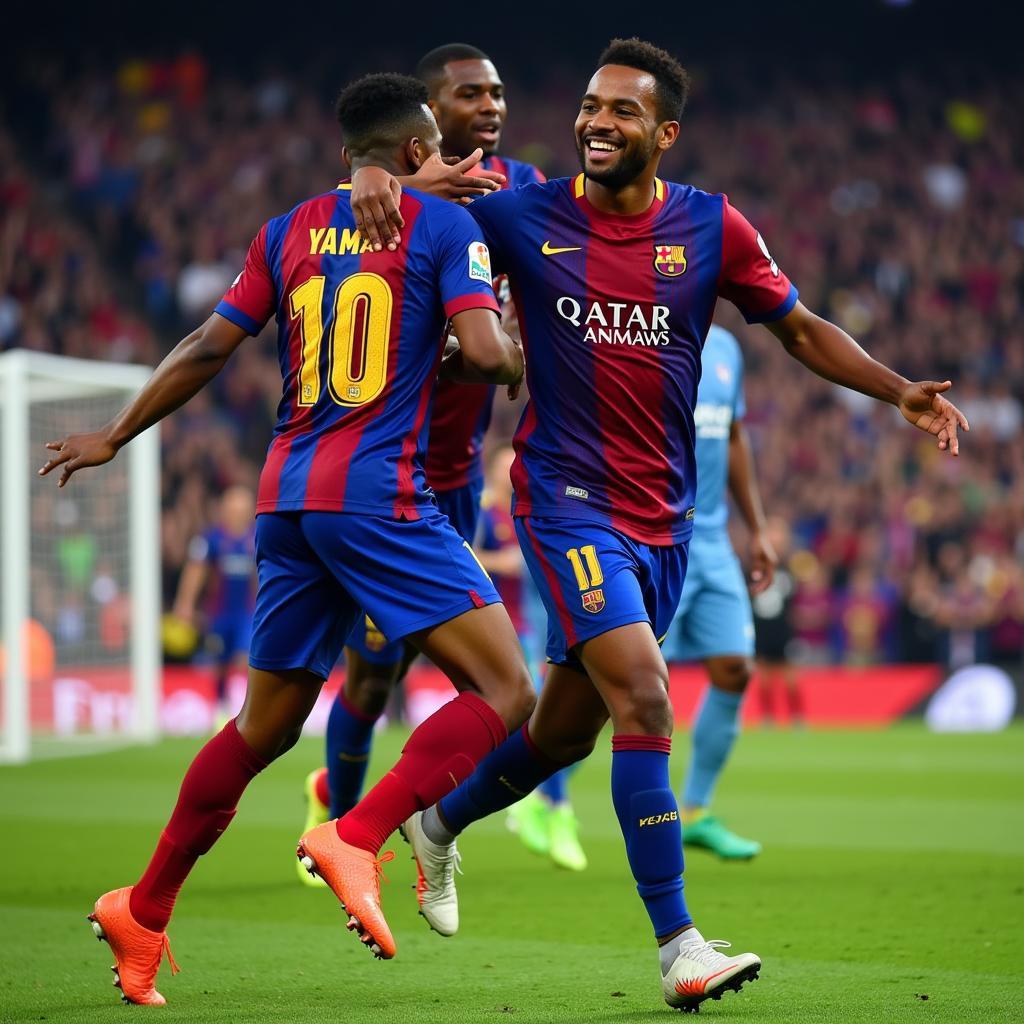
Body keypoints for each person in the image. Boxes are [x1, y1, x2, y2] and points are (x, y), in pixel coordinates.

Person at [351, 38, 968, 1011]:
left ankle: (435, 825)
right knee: (646, 697)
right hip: (565, 501)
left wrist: (897, 391)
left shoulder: (712, 228)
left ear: (664, 133)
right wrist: (366, 170)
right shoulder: (522, 213)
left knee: (561, 735)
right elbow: (405, 190)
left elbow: (799, 326)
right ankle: (679, 944)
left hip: (665, 521)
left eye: (622, 112)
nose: (596, 122)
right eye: (590, 107)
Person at [40, 73, 535, 1006]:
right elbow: (481, 353)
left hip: (287, 498)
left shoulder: (288, 228)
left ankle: (144, 909)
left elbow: (205, 345)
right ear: (414, 149)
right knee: (508, 688)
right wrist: (509, 349)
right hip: (376, 496)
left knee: (263, 727)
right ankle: (360, 831)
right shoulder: (445, 230)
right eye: (432, 141)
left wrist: (115, 433)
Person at [300, 44, 547, 892]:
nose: (490, 106)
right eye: (469, 93)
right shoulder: (378, 195)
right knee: (372, 673)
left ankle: (419, 824)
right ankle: (339, 807)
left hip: (453, 476)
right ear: (428, 114)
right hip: (378, 474)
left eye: (498, 92)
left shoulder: (517, 185)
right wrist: (382, 184)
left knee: (478, 677)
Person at [661, 324, 773, 861]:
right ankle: (548, 796)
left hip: (712, 539)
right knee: (622, 687)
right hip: (654, 535)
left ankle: (697, 812)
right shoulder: (643, 326)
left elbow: (731, 434)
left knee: (735, 668)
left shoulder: (726, 345)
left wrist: (757, 529)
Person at [172, 485, 256, 727]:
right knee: (220, 663)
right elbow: (195, 571)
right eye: (233, 508)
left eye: (242, 509)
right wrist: (185, 603)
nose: (238, 514)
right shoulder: (210, 539)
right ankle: (222, 707)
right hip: (219, 614)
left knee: (245, 657)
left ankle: (249, 711)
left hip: (248, 614)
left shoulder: (257, 537)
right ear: (224, 510)